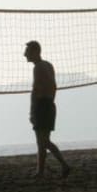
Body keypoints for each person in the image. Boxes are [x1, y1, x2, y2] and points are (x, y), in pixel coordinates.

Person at [24, 40, 71, 178]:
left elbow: (36, 90)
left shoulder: (37, 67)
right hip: (50, 104)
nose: (24, 54)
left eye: (27, 51)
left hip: (42, 105)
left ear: (35, 52)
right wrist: (50, 102)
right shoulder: (49, 65)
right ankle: (43, 170)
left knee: (42, 141)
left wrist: (32, 111)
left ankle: (57, 167)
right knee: (44, 141)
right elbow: (54, 86)